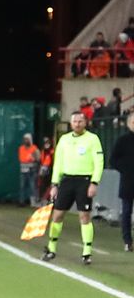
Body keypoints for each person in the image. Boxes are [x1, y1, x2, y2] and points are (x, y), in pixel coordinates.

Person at [42, 111, 105, 265]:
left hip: (84, 180)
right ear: (71, 123)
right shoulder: (64, 139)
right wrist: (55, 184)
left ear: (85, 123)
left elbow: (99, 162)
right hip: (67, 180)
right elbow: (58, 163)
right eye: (74, 121)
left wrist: (94, 182)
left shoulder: (93, 139)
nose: (77, 124)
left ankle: (87, 252)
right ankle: (51, 248)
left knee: (84, 216)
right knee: (57, 215)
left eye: (80, 121)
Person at [112, 111, 134, 252]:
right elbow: (113, 159)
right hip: (128, 181)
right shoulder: (122, 140)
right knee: (126, 212)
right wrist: (125, 170)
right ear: (129, 124)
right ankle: (127, 241)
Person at [17, 132, 40, 207]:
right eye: (24, 139)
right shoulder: (21, 148)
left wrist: (33, 158)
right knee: (22, 186)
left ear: (30, 140)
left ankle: (34, 202)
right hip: (23, 169)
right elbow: (21, 158)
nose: (25, 141)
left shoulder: (34, 148)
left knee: (32, 185)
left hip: (32, 170)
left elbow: (38, 158)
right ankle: (22, 201)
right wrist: (28, 159)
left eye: (27, 139)